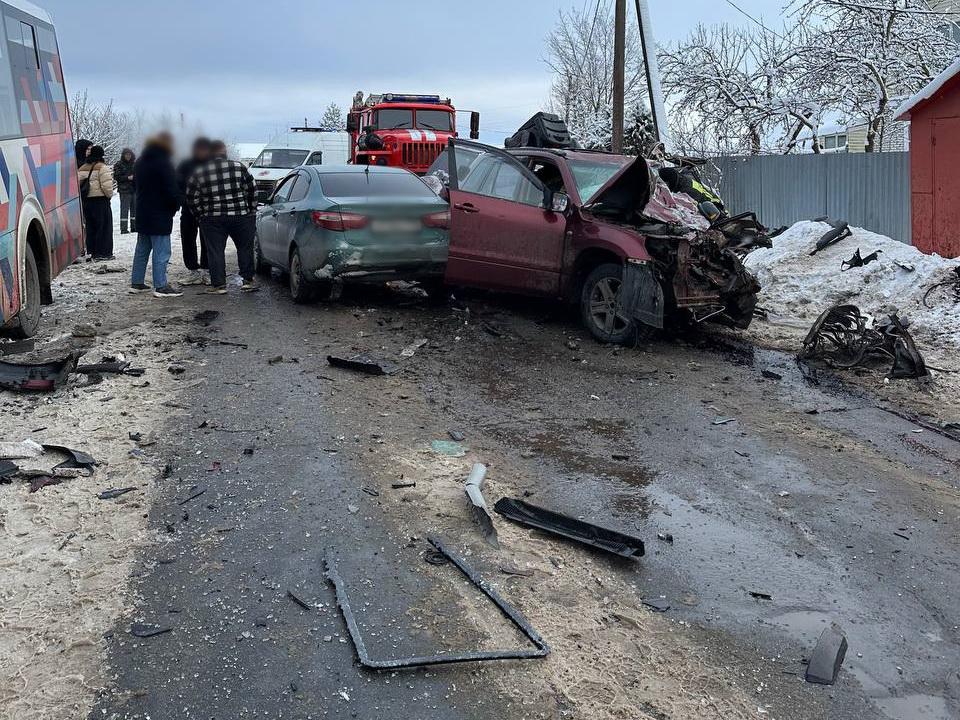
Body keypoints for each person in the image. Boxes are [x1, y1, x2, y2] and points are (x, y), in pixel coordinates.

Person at [186, 139, 259, 295]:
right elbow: (252, 190)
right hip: (240, 216)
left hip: (212, 219)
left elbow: (191, 197)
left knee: (215, 251)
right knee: (244, 248)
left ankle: (218, 285)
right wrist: (251, 210)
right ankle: (248, 281)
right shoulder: (239, 167)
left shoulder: (200, 172)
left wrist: (200, 215)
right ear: (225, 152)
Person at [129, 133, 183, 298]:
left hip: (143, 211)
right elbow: (171, 189)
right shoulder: (164, 163)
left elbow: (135, 185)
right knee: (161, 251)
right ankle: (161, 286)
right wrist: (176, 204)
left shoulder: (139, 162)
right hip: (160, 213)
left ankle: (137, 282)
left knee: (142, 249)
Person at [176, 137, 212, 285]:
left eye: (204, 149)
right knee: (188, 239)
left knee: (208, 240)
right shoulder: (185, 164)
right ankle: (193, 270)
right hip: (188, 208)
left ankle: (207, 269)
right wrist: (182, 200)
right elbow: (176, 184)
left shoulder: (212, 164)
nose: (201, 152)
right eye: (199, 148)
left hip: (208, 210)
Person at [78, 145, 115, 260]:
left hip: (87, 202)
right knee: (103, 227)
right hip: (100, 201)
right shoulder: (102, 167)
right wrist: (109, 196)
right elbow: (107, 186)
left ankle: (93, 251)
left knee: (91, 227)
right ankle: (104, 252)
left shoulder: (82, 167)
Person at [113, 148, 137, 234]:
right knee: (124, 210)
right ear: (123, 155)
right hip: (124, 190)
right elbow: (116, 177)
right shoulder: (119, 165)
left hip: (134, 189)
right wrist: (127, 178)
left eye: (129, 154)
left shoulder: (135, 164)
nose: (128, 156)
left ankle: (134, 227)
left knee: (134, 209)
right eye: (126, 154)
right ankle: (123, 229)